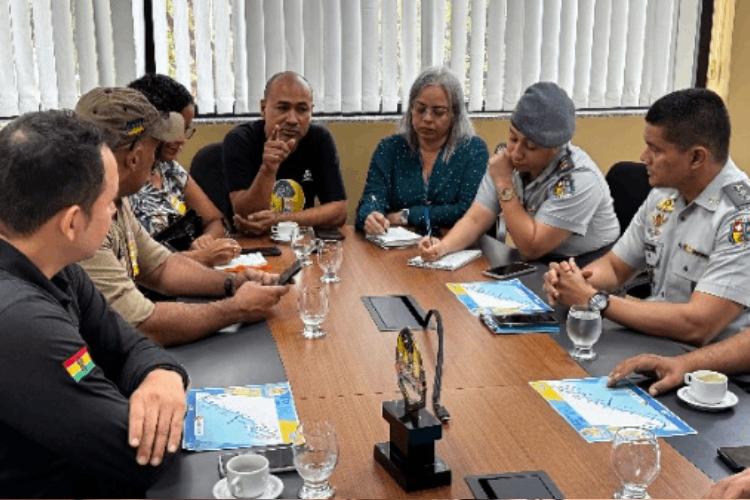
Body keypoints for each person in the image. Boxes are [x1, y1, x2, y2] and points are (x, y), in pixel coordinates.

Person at [0, 110, 189, 497]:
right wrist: (166, 409)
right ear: (71, 223)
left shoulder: (56, 265)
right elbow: (134, 454)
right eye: (109, 201)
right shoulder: (18, 320)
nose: (115, 210)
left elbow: (130, 345)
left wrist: (164, 377)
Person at [75, 87, 290, 347]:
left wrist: (234, 282)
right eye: (155, 148)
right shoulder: (83, 220)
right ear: (135, 156)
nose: (157, 159)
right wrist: (237, 308)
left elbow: (161, 268)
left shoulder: (115, 198)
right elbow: (145, 326)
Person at [544, 88, 750, 346]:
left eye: (655, 149)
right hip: (654, 341)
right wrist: (573, 283)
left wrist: (595, 299)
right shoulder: (664, 194)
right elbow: (615, 268)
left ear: (697, 157)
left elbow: (699, 325)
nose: (644, 157)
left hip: (708, 369)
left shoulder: (740, 217)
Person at [419, 82, 619, 263]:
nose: (515, 153)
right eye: (513, 138)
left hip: (589, 264)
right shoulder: (505, 160)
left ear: (555, 148)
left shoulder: (576, 180)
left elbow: (532, 247)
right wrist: (443, 247)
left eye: (530, 147)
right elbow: (477, 218)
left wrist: (504, 183)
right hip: (539, 261)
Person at [355, 67, 487, 234]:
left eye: (438, 112)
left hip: (454, 246)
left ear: (455, 114)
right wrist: (370, 216)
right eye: (420, 109)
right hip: (394, 248)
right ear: (411, 109)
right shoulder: (389, 148)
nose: (427, 118)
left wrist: (407, 215)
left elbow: (466, 211)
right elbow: (372, 197)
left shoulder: (473, 150)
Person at [128, 73, 240, 266]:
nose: (182, 139)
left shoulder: (168, 169)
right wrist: (201, 257)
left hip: (186, 274)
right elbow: (136, 265)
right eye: (175, 129)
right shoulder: (123, 182)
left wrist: (206, 240)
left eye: (186, 129)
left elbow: (215, 220)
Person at [223, 71, 347, 235]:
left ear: (311, 111)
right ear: (263, 108)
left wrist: (281, 219)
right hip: (253, 244)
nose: (292, 120)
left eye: (302, 110)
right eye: (283, 108)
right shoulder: (240, 140)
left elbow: (339, 212)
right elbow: (247, 216)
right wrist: (268, 169)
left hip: (300, 242)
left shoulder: (319, 139)